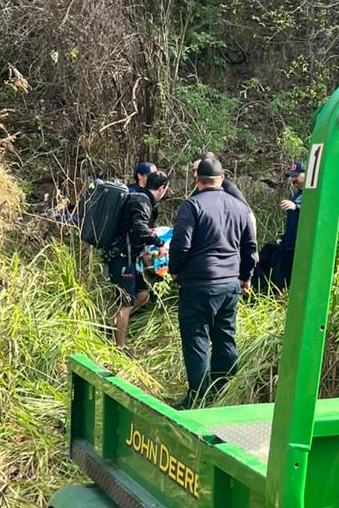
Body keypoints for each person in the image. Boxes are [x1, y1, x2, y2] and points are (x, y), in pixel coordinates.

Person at [169, 157, 258, 408]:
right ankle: (225, 394)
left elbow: (180, 245)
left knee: (197, 339)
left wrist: (175, 271)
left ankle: (198, 399)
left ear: (198, 180)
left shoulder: (192, 206)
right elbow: (250, 247)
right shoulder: (239, 207)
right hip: (230, 284)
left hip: (198, 284)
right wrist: (245, 277)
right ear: (222, 178)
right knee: (225, 337)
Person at [109, 171, 169, 348]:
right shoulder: (141, 201)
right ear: (162, 188)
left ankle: (111, 324)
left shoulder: (144, 200)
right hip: (121, 257)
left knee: (142, 295)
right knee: (126, 302)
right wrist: (159, 244)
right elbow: (141, 228)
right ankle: (119, 346)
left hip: (131, 258)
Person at [275, 160, 305, 289]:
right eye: (292, 176)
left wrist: (296, 207)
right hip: (290, 244)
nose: (293, 180)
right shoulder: (297, 194)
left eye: (296, 176)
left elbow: (315, 212)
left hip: (301, 247)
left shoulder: (312, 194)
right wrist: (283, 237)